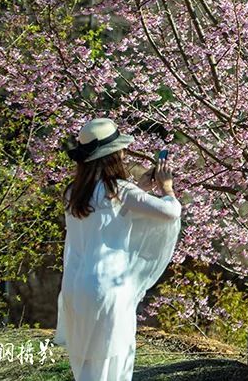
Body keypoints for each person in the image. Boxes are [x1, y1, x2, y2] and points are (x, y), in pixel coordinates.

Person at [53, 118, 182, 381]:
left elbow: (108, 210)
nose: (124, 154)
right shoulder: (121, 191)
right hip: (108, 288)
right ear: (113, 155)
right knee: (114, 363)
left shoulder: (72, 193)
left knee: (86, 365)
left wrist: (141, 188)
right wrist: (166, 188)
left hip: (75, 288)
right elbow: (170, 212)